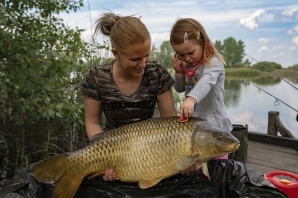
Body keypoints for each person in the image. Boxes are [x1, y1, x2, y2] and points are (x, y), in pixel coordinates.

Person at [81, 12, 177, 181]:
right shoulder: (97, 77)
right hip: (112, 149)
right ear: (116, 53)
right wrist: (104, 159)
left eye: (147, 55)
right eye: (135, 59)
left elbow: (170, 120)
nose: (143, 64)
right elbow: (92, 122)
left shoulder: (156, 74)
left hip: (152, 149)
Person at [170, 18, 233, 160]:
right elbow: (179, 89)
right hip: (195, 124)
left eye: (191, 53)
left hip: (213, 124)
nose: (187, 58)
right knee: (195, 161)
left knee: (217, 163)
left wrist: (191, 99)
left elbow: (206, 82)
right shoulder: (187, 66)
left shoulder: (213, 63)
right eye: (181, 55)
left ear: (203, 44)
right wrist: (179, 73)